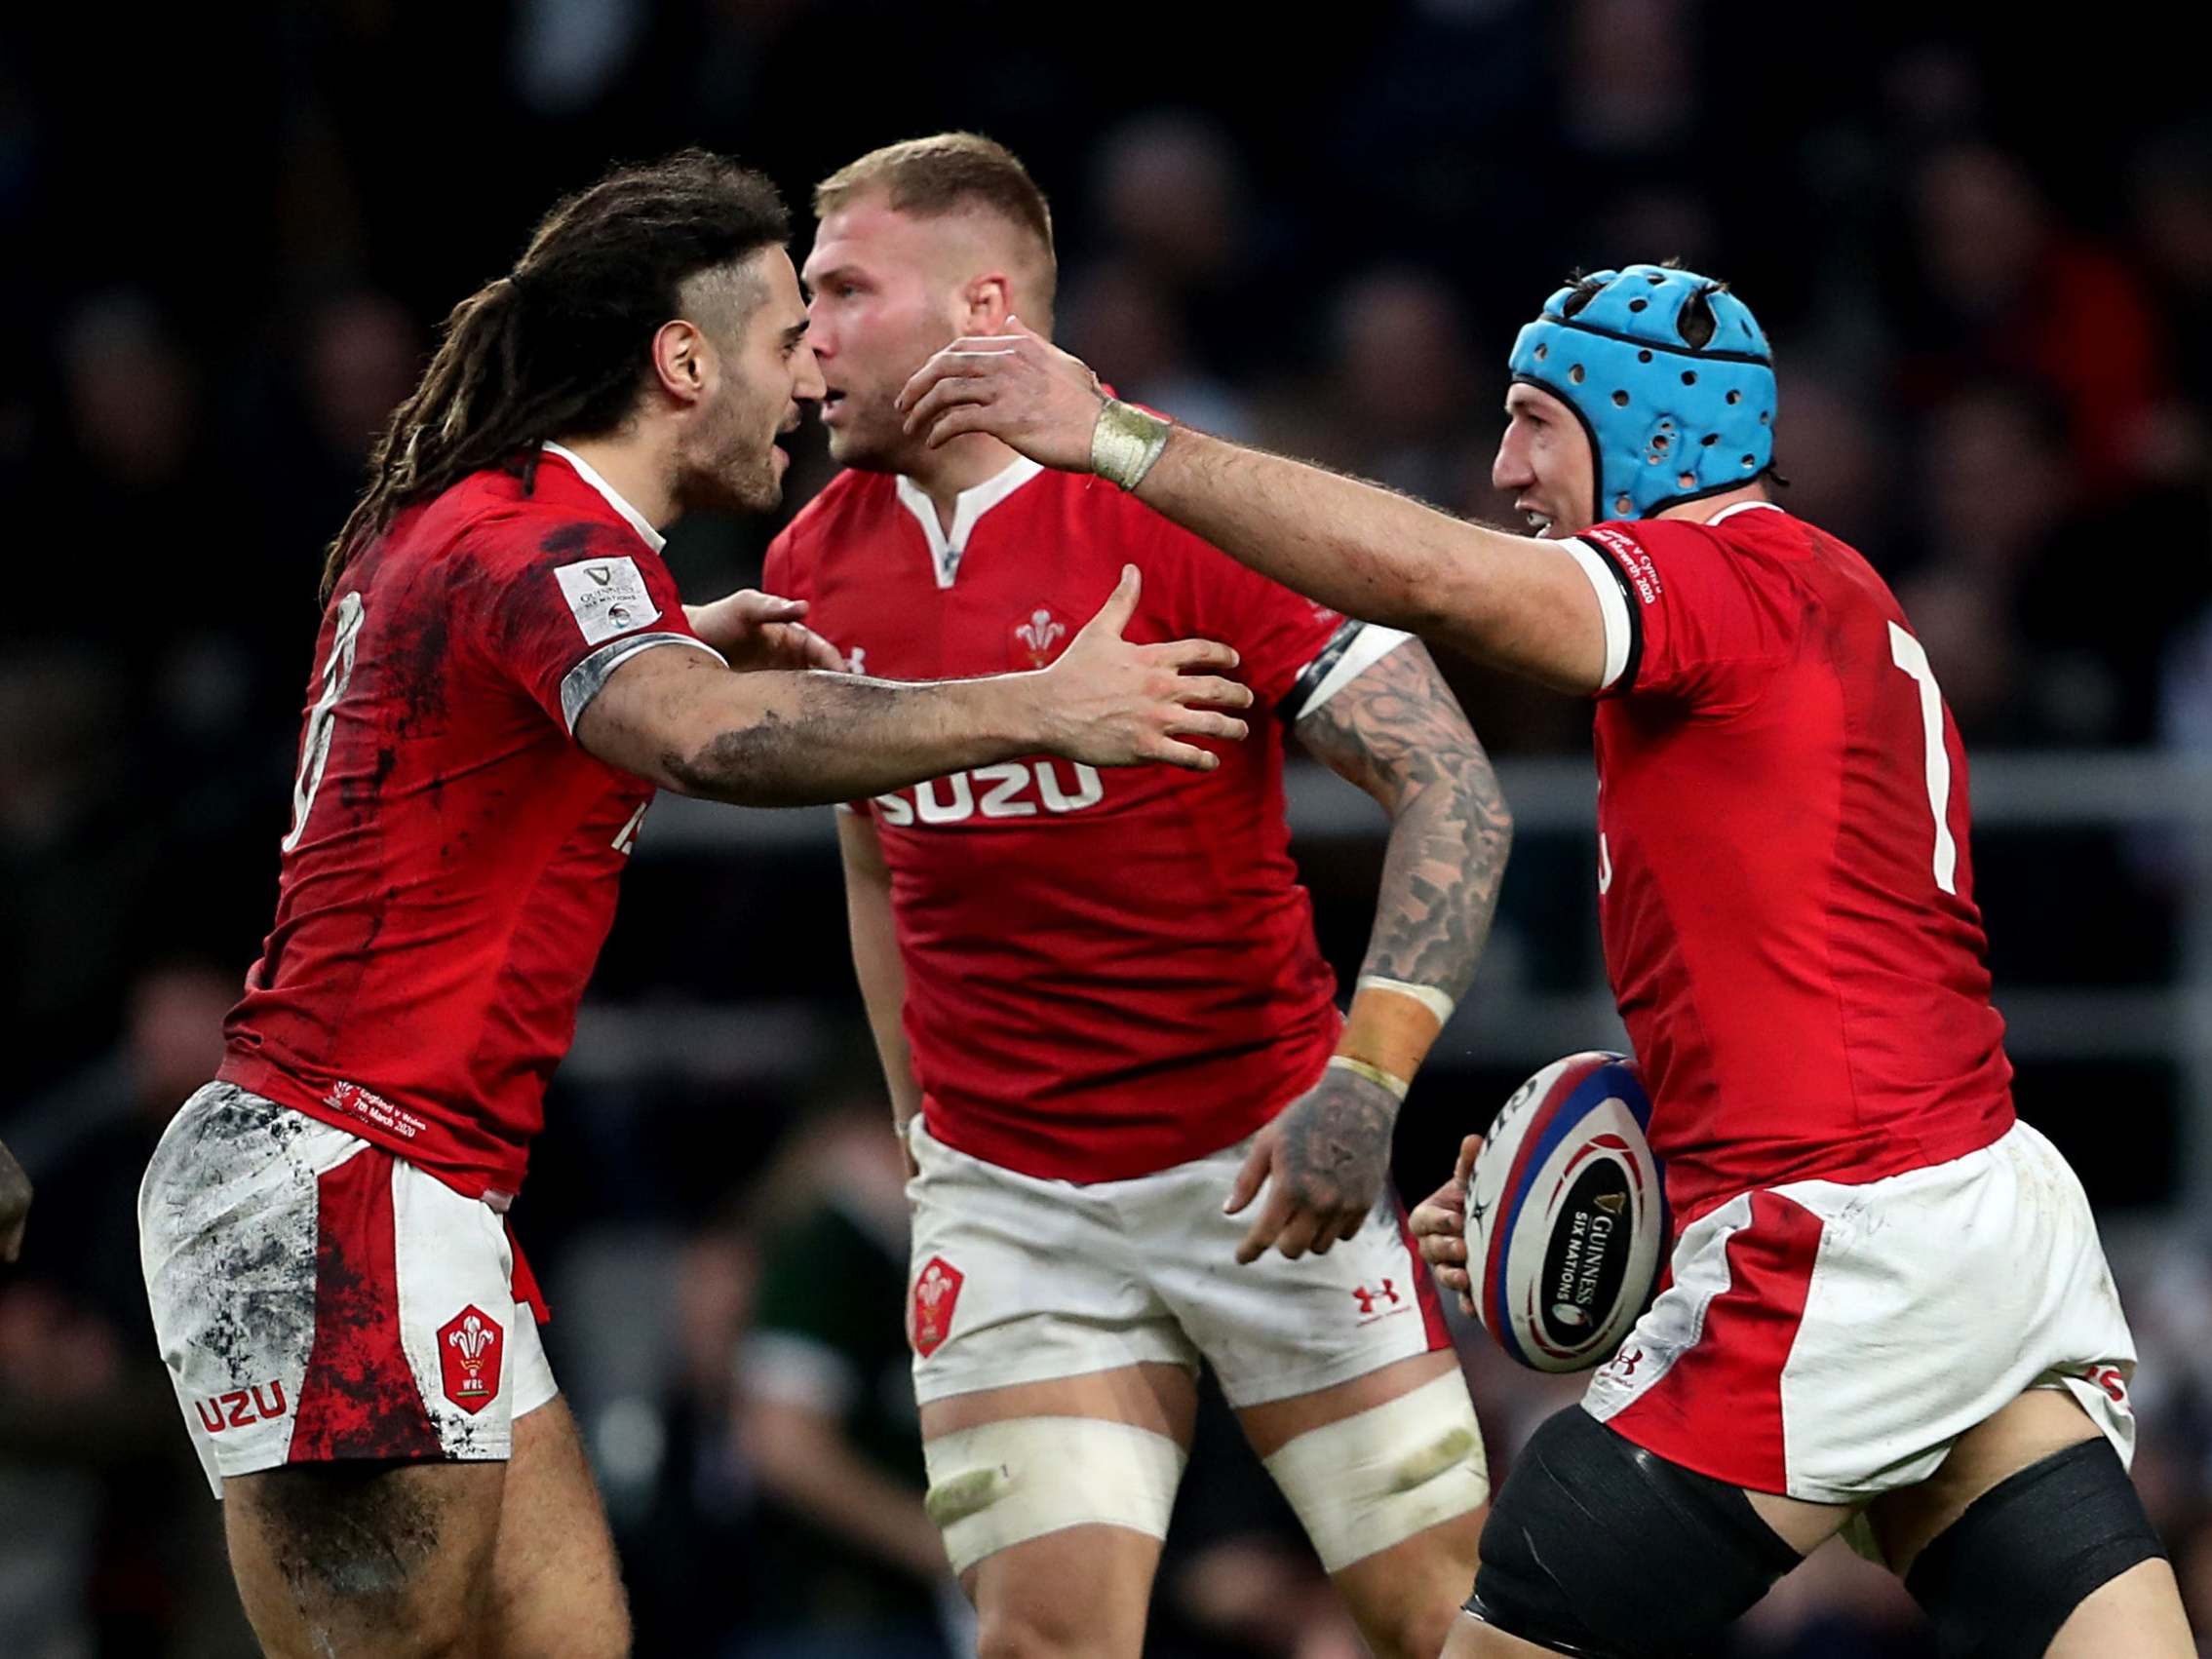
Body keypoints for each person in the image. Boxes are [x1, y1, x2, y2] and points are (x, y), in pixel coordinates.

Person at [897, 263, 2192, 1656]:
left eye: (1533, 423)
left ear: (1653, 431)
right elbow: (1806, 982)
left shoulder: (1722, 577)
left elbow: (1428, 577)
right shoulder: (1816, 592)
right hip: (1977, 1214)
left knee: (1508, 1627)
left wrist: (1111, 436)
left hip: (1844, 1242)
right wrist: (1567, 1176)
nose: (1505, 467)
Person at [136, 149, 1254, 1659]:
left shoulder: (499, 522)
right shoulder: (544, 541)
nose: (811, 375)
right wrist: (1040, 703)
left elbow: (543, 704)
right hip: (342, 1177)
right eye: (788, 337)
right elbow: (703, 738)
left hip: (411, 1183)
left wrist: (680, 637)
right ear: (682, 362)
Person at [768, 134, 1504, 1659]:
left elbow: (1454, 786)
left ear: (981, 308)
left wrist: (1366, 1081)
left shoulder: (1187, 498)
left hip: (1263, 1158)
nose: (804, 334)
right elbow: (872, 852)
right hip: (1011, 1198)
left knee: (1442, 1623)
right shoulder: (809, 562)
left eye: (842, 291)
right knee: (1040, 1642)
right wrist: (923, 1145)